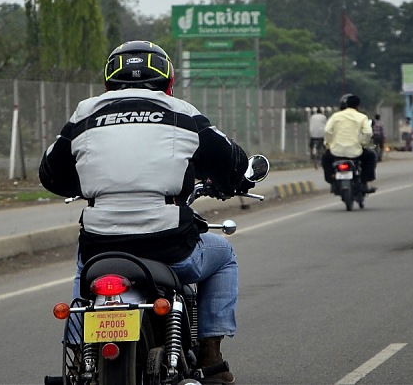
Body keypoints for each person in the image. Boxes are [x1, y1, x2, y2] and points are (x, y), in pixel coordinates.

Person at [39, 40, 253, 384]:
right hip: (169, 246)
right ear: (168, 81)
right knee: (224, 254)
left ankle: (80, 353)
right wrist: (233, 181)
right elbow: (232, 160)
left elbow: (50, 172)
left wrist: (86, 186)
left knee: (85, 275)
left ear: (108, 81)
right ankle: (212, 359)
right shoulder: (182, 112)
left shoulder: (84, 113)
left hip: (101, 245)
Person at [321, 94, 378, 193]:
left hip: (336, 152)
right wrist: (363, 144)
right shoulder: (362, 117)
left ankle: (332, 180)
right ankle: (364, 182)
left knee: (325, 158)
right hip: (355, 152)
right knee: (371, 156)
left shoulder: (335, 116)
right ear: (358, 106)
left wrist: (328, 144)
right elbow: (368, 132)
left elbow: (327, 131)